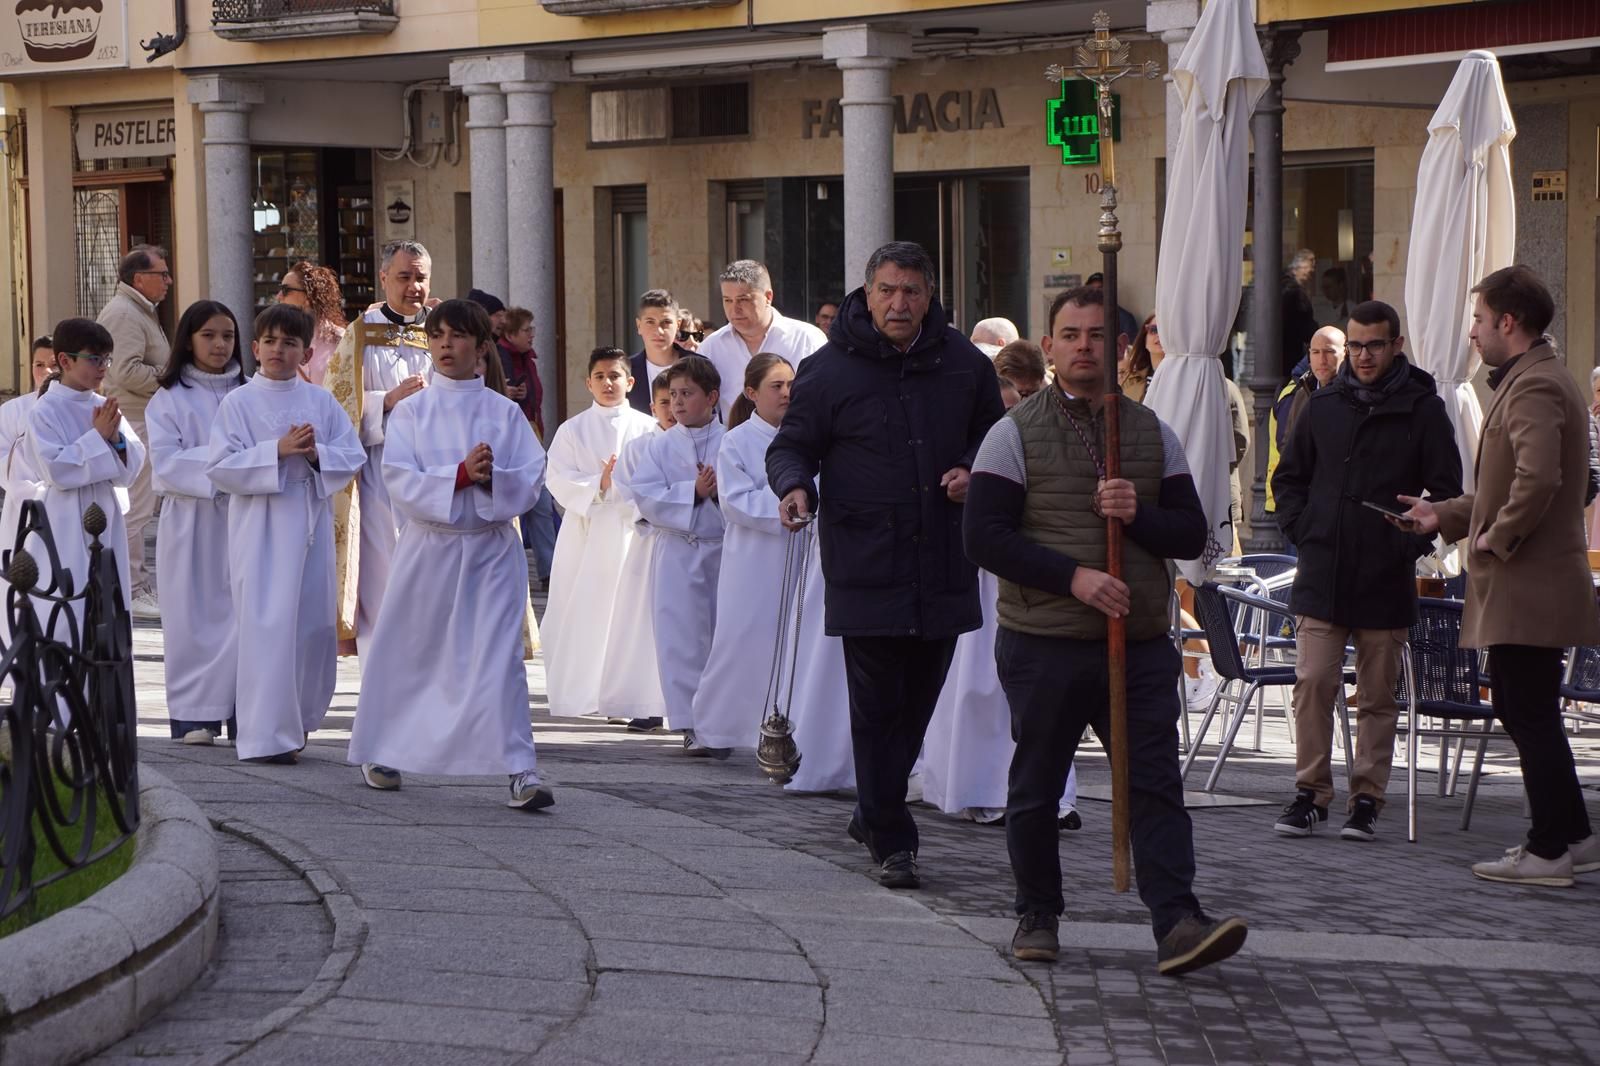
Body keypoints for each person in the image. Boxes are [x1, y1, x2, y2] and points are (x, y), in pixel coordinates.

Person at [963, 284, 1247, 976]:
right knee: (1037, 785)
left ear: (1119, 349)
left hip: (1138, 642)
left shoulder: (1152, 432)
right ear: (1049, 346)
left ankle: (1177, 921)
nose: (1084, 347)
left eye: (1096, 335)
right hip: (1045, 642)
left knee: (1154, 783)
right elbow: (985, 538)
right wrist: (1074, 578)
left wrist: (1137, 515)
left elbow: (1190, 533)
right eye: (1071, 335)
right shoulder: (1013, 433)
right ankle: (1037, 912)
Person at [767, 240, 1004, 889]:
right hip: (864, 558)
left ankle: (873, 808)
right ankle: (894, 841)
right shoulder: (828, 369)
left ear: (929, 296)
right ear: (868, 293)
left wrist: (972, 468)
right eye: (887, 290)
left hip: (943, 558)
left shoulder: (964, 363)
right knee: (875, 706)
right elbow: (791, 446)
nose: (899, 303)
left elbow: (995, 434)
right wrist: (794, 487)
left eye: (911, 291)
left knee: (918, 703)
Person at [1399, 265, 1600, 886]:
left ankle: (1548, 849)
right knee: (1522, 704)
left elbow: (1538, 481)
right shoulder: (1534, 377)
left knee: (1525, 707)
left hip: (1529, 583)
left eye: (1479, 320)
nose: (1473, 332)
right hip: (1529, 583)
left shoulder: (1535, 384)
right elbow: (1507, 488)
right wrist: (1444, 515)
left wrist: (1497, 536)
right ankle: (1570, 836)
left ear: (1507, 323)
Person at [346, 300, 552, 809]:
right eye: (437, 336)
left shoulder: (504, 412)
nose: (444, 345)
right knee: (412, 649)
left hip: (490, 550)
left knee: (500, 659)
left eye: (457, 336)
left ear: (481, 347)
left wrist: (492, 478)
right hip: (429, 548)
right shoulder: (412, 411)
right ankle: (385, 749)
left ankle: (520, 768)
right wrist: (459, 476)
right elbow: (398, 479)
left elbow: (531, 479)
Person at [1270, 300, 1462, 841]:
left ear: (1396, 345)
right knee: (1312, 682)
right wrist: (1305, 530)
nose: (1363, 355)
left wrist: (1408, 544)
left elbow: (1447, 493)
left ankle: (1367, 798)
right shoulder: (1322, 403)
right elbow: (1289, 479)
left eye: (1374, 345)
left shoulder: (1423, 408)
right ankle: (1310, 793)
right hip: (1323, 567)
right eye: (1354, 345)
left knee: (1377, 696)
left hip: (1385, 572)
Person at [922, 354, 1079, 828]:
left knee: (1038, 694)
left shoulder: (1039, 444)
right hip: (975, 583)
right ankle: (980, 788)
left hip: (1028, 584)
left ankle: (1053, 796)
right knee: (976, 689)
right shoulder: (958, 453)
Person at [205, 305, 364, 764]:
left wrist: (315, 456)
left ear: (306, 353)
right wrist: (275, 450)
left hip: (309, 522)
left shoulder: (321, 402)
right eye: (270, 341)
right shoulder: (238, 403)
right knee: (266, 626)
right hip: (260, 526)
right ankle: (264, 736)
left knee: (312, 627)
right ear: (255, 348)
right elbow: (219, 467)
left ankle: (297, 723)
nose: (279, 350)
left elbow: (352, 455)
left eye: (290, 343)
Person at [146, 301, 247, 747]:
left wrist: (246, 467)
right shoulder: (170, 398)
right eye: (208, 335)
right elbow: (166, 464)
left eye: (227, 335)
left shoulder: (251, 393)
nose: (219, 344)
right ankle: (193, 717)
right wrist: (231, 466)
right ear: (188, 340)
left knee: (243, 616)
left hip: (245, 518)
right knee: (193, 618)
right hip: (192, 521)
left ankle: (245, 711)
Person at [325, 239, 434, 656]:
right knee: (383, 577)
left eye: (421, 278)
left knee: (429, 579)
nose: (413, 287)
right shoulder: (361, 334)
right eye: (404, 277)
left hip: (433, 472)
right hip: (378, 475)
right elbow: (335, 404)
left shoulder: (442, 332)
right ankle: (381, 673)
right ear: (384, 278)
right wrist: (385, 401)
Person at [616, 355, 727, 754]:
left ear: (712, 397)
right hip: (677, 551)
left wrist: (720, 493)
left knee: (723, 639)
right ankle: (691, 724)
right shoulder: (660, 445)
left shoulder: (731, 441)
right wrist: (692, 493)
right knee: (681, 639)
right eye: (673, 395)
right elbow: (645, 495)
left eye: (687, 394)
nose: (677, 403)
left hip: (723, 551)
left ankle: (724, 721)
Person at [543, 348, 658, 718]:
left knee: (629, 614)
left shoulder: (648, 428)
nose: (608, 383)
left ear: (630, 381)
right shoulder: (572, 429)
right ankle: (584, 692)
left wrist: (626, 491)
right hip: (586, 531)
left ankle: (632, 694)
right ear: (588, 383)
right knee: (583, 611)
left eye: (615, 376)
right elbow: (557, 477)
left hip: (632, 531)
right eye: (600, 376)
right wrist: (600, 483)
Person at [691, 353, 795, 751]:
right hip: (754, 558)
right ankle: (719, 727)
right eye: (776, 386)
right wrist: (788, 505)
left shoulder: (805, 438)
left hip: (799, 553)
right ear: (752, 393)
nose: (786, 393)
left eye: (791, 385)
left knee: (791, 643)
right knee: (742, 641)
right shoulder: (735, 441)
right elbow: (736, 500)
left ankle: (783, 726)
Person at [25, 319, 146, 655]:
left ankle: (105, 679)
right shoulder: (45, 410)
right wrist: (98, 437)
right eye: (94, 359)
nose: (103, 367)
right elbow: (56, 470)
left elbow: (132, 467)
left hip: (106, 511)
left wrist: (116, 440)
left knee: (107, 598)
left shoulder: (102, 405)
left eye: (107, 359)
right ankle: (65, 675)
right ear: (65, 360)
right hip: (65, 515)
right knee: (70, 599)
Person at [96, 244, 171, 620]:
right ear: (139, 279)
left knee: (139, 507)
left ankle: (132, 583)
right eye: (162, 274)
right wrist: (170, 377)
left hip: (143, 417)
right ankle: (131, 586)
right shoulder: (125, 312)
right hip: (134, 419)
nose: (169, 281)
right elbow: (125, 371)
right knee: (135, 508)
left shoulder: (139, 309)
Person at [597, 374, 673, 733]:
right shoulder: (639, 448)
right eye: (665, 402)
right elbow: (624, 494)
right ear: (653, 406)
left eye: (680, 398)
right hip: (650, 543)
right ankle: (648, 702)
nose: (673, 408)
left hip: (694, 543)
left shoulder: (706, 444)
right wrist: (659, 510)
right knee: (645, 626)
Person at [697, 260, 826, 423]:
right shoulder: (710, 347)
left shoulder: (807, 339)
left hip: (799, 436)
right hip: (732, 438)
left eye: (743, 299)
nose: (734, 309)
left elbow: (827, 396)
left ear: (768, 297)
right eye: (728, 300)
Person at [497, 306, 558, 590]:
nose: (532, 334)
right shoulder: (497, 357)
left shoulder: (528, 359)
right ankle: (510, 571)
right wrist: (503, 393)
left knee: (542, 504)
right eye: (526, 330)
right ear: (511, 334)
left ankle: (549, 573)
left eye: (532, 328)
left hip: (531, 439)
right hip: (506, 444)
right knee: (512, 509)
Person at [1265, 325, 1345, 520]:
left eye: (1329, 352)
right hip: (1303, 505)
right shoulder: (1301, 393)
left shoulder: (1355, 393)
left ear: (1346, 353)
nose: (1322, 360)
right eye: (1315, 352)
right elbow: (1287, 446)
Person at [0, 338, 57, 575]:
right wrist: (33, 493)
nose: (46, 372)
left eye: (53, 365)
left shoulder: (83, 407)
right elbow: (3, 459)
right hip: (22, 508)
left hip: (66, 506)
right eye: (39, 365)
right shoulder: (12, 410)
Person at [277, 262, 347, 386]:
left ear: (308, 297)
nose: (279, 296)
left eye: (285, 290)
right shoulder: (276, 340)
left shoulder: (342, 340)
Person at [627, 290, 693, 414]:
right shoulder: (626, 371)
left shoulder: (698, 366)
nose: (659, 331)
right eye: (650, 322)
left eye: (666, 322)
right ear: (639, 326)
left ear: (678, 325)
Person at [1281, 249, 1319, 378]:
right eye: (1309, 266)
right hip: (1290, 348)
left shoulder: (1289, 287)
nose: (1311, 270)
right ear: (1298, 266)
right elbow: (1303, 322)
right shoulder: (1292, 290)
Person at [1084, 272, 1138, 348]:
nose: (1096, 292)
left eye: (1100, 288)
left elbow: (1130, 349)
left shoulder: (1125, 318)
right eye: (1091, 289)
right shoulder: (1082, 315)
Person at [1120, 316, 1162, 404]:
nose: (1159, 335)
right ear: (1144, 338)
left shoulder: (1184, 379)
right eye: (1154, 330)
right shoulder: (1130, 378)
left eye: (1165, 331)